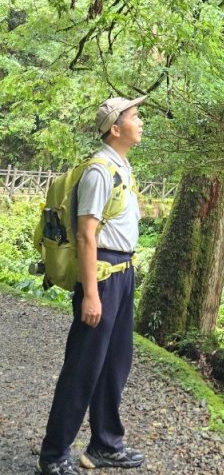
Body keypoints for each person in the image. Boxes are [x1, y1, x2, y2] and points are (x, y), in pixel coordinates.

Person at [37, 95, 147, 475]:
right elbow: (86, 235)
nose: (141, 122)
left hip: (123, 274)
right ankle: (54, 455)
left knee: (115, 364)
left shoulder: (122, 167)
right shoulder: (99, 172)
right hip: (101, 276)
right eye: (134, 116)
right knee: (83, 367)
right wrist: (91, 294)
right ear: (115, 128)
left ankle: (105, 445)